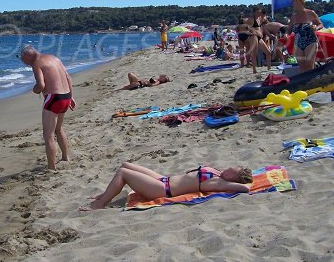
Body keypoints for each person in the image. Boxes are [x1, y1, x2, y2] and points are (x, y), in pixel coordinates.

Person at [81, 162, 252, 210]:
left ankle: (99, 204)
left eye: (232, 171)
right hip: (163, 179)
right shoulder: (218, 173)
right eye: (232, 167)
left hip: (163, 190)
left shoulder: (219, 182)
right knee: (125, 166)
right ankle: (104, 194)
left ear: (233, 179)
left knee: (123, 174)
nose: (228, 169)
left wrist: (233, 183)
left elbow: (245, 188)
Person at [21, 45, 75, 170]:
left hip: (54, 98)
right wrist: (71, 97)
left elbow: (41, 85)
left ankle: (51, 167)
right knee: (59, 129)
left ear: (28, 55)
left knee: (48, 135)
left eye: (23, 60)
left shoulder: (36, 63)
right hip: (66, 96)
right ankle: (65, 157)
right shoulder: (54, 58)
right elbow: (68, 77)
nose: (25, 63)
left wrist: (35, 90)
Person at [287, 0, 324, 72]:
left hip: (310, 41)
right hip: (298, 43)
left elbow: (320, 24)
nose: (295, 6)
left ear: (302, 3)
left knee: (309, 65)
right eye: (294, 4)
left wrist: (316, 28)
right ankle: (304, 83)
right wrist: (286, 35)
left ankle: (311, 82)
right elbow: (289, 30)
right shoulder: (293, 17)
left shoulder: (310, 13)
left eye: (297, 4)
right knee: (302, 66)